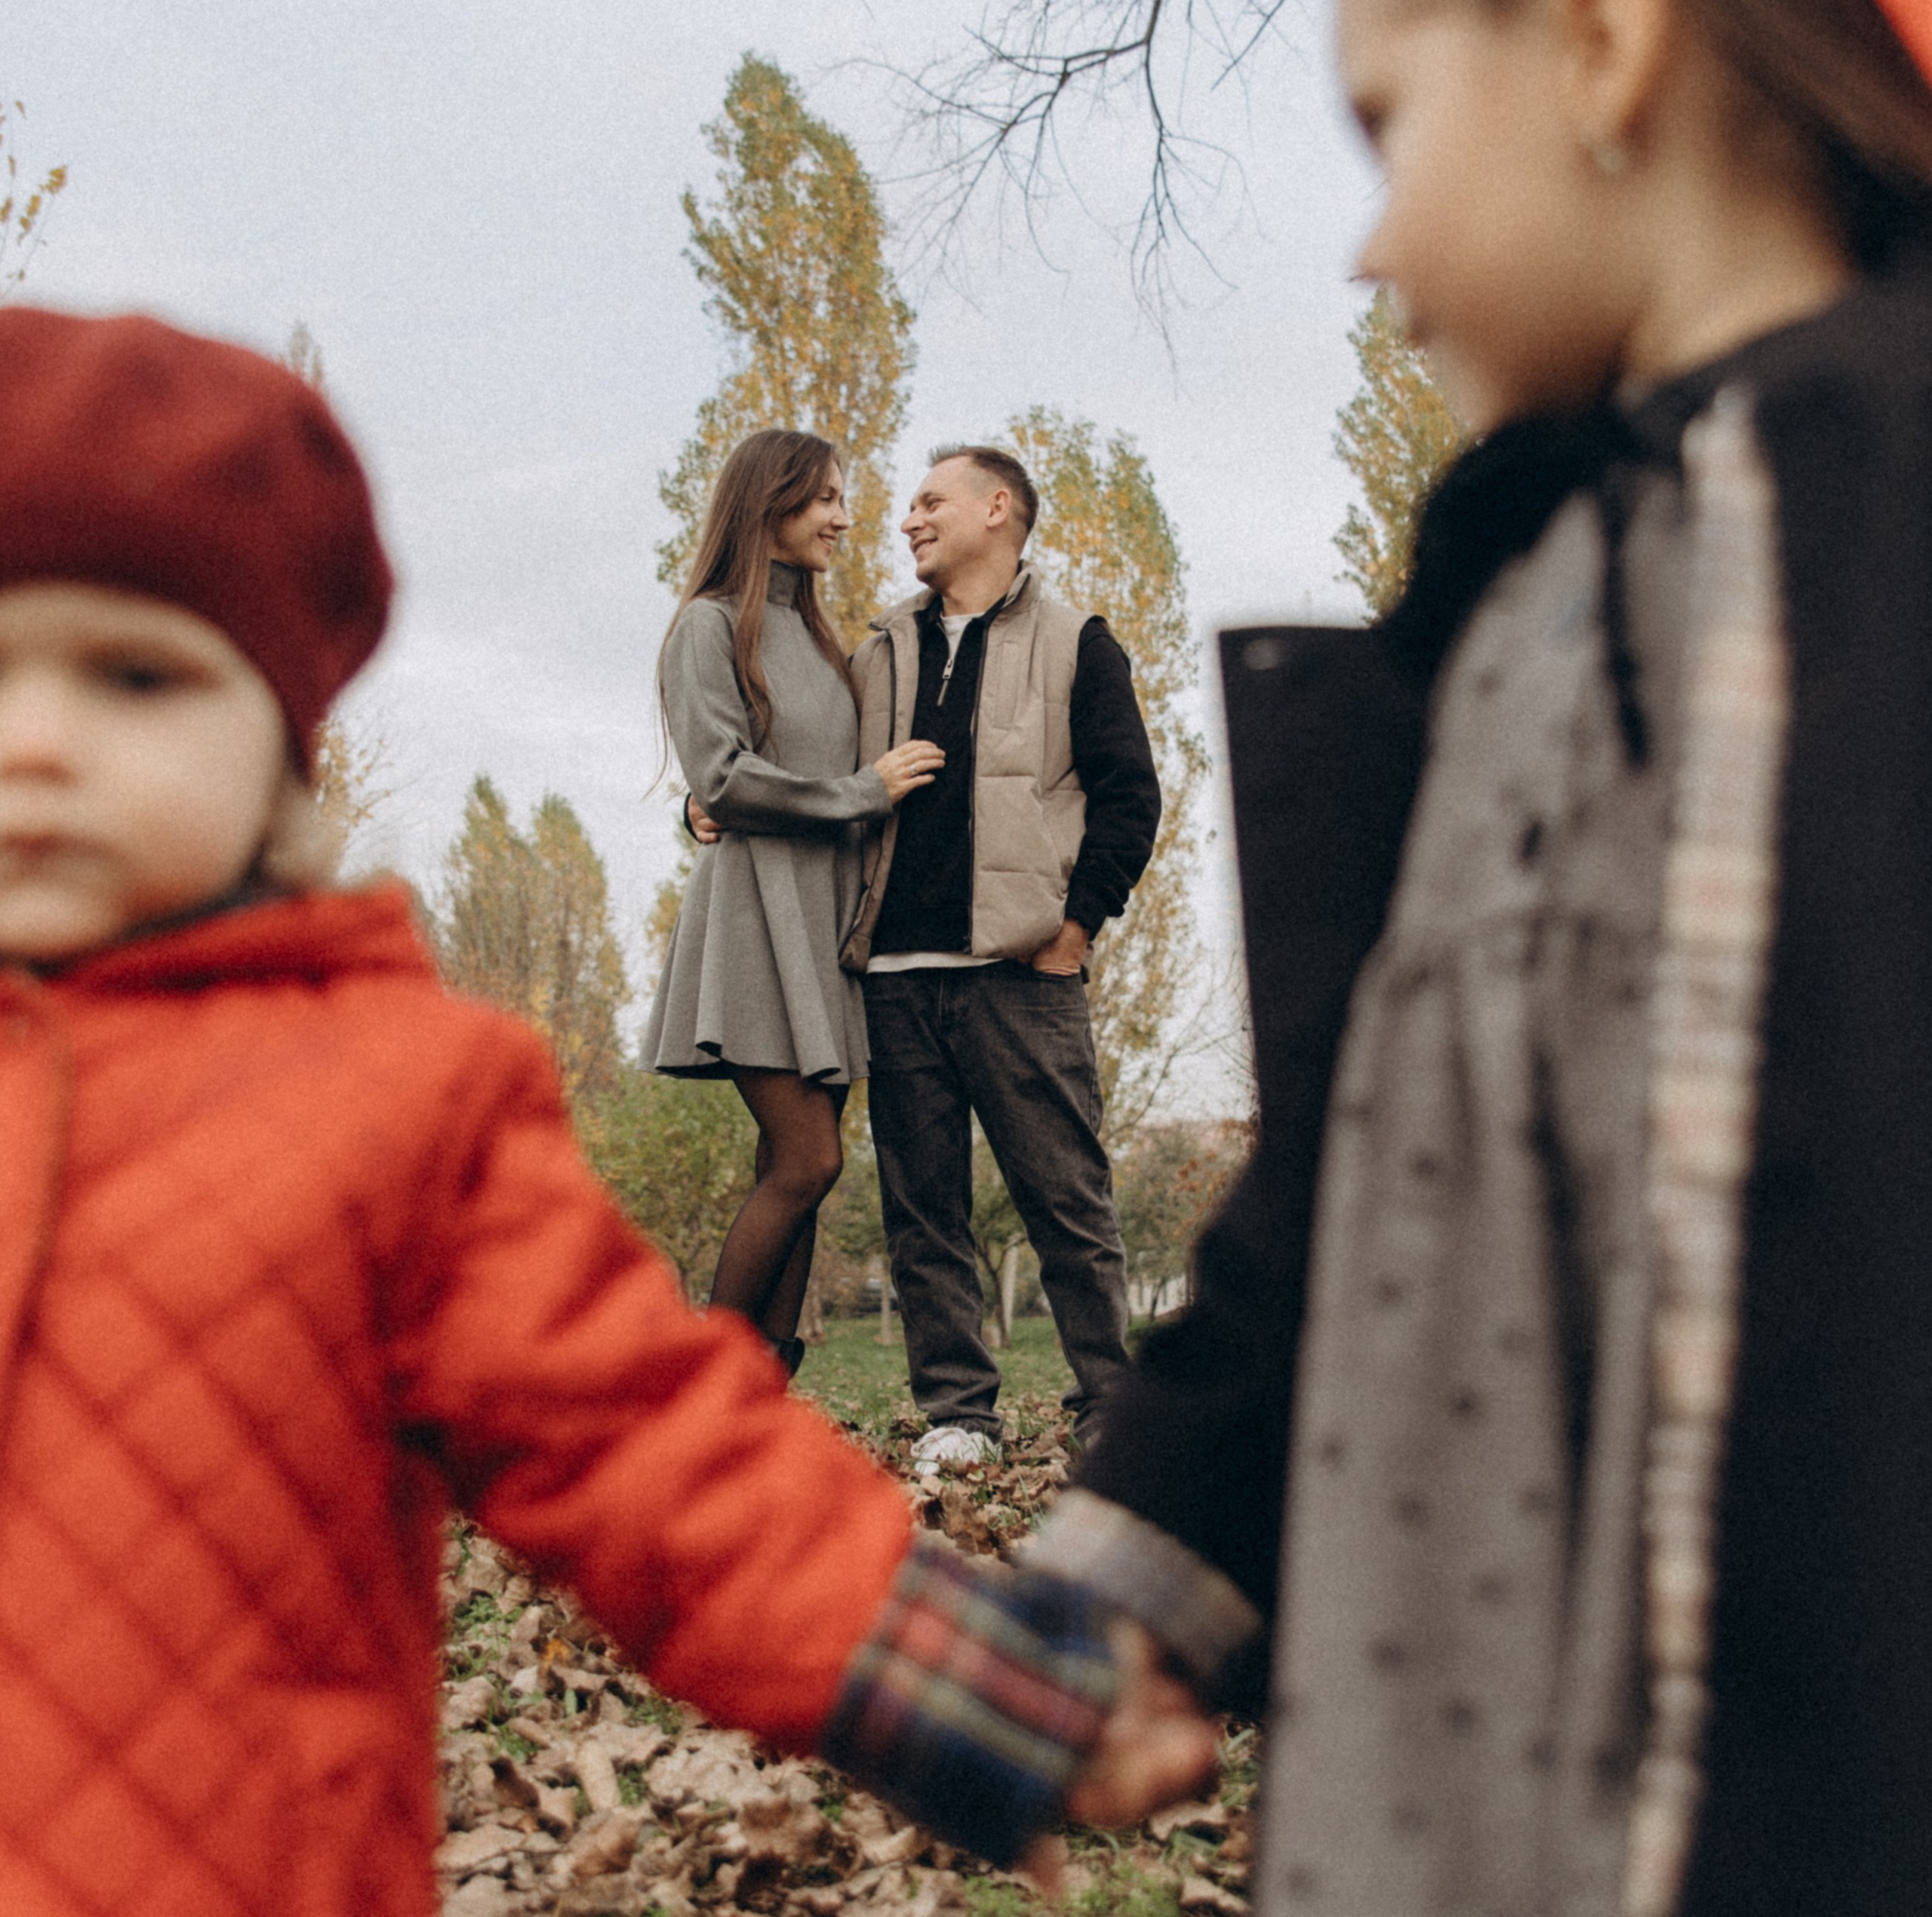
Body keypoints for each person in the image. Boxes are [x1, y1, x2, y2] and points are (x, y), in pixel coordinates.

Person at [0, 308, 1217, 1917]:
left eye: (137, 674)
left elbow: (656, 1460)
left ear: (286, 748)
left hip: (223, 1863)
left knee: (915, 1170)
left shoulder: (385, 1103)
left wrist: (984, 1695)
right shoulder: (763, 632)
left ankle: (989, 1377)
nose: (36, 739)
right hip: (834, 930)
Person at [1023, 0, 1932, 1913]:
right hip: (1490, 1732)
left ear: (1602, 46)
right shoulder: (1522, 590)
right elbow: (1360, 1135)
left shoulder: (1875, 495)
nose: (1364, 244)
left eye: (1382, 128)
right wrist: (1145, 1556)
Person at [845, 446, 1161, 1474]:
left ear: (998, 510)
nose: (909, 521)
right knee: (920, 1207)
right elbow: (807, 769)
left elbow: (1130, 800)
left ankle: (1111, 1405)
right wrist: (707, 801)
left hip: (1020, 976)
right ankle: (958, 1415)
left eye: (929, 501)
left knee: (1067, 1196)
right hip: (893, 977)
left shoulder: (1080, 644)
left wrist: (1075, 930)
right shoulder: (879, 650)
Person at [641, 429, 942, 1374]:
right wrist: (864, 790)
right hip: (753, 924)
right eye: (823, 500)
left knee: (798, 1174)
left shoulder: (816, 635)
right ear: (765, 501)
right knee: (809, 1160)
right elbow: (723, 776)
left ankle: (758, 1409)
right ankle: (702, 1404)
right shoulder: (705, 625)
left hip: (824, 932)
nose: (844, 518)